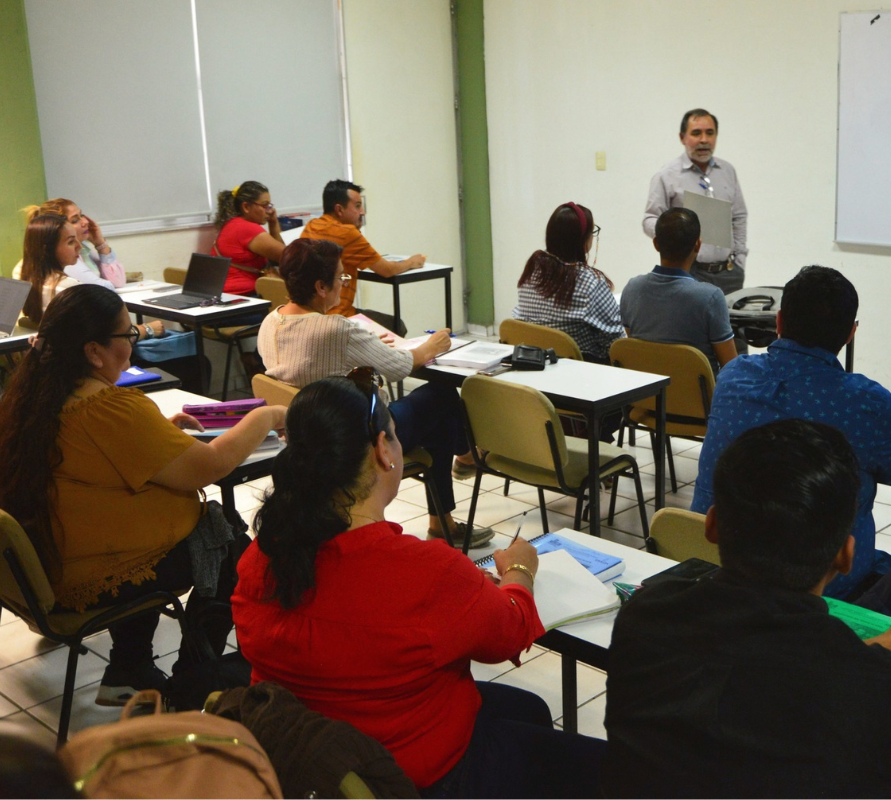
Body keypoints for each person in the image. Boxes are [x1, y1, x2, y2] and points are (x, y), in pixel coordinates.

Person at [233, 376, 606, 797]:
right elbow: (509, 634)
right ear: (382, 451)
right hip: (416, 777)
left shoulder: (261, 559)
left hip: (313, 761)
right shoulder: (426, 572)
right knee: (610, 772)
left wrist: (464, 594)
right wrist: (520, 569)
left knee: (530, 709)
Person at [605, 419, 891, 797]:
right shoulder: (883, 689)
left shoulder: (645, 616)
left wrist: (888, 642)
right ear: (845, 555)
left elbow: (764, 674)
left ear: (712, 526)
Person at [0, 284, 285, 704]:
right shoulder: (108, 409)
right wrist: (266, 415)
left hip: (46, 568)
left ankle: (129, 669)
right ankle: (193, 685)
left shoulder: (26, 399)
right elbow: (210, 467)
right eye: (126, 336)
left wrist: (157, 438)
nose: (132, 346)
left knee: (159, 533)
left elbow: (95, 465)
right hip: (87, 575)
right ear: (94, 351)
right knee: (225, 545)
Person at [691, 266, 891, 599]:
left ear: (778, 322)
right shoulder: (865, 401)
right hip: (824, 589)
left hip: (714, 568)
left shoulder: (734, 375)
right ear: (851, 332)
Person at [257, 238, 491, 549]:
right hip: (359, 438)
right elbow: (400, 366)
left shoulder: (271, 321)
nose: (344, 283)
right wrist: (430, 347)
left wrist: (365, 344)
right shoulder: (336, 330)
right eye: (341, 277)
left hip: (305, 437)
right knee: (442, 396)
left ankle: (457, 477)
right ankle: (462, 468)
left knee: (436, 417)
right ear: (320, 287)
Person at [642, 108, 748, 295]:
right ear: (682, 137)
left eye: (710, 133)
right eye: (696, 133)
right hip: (689, 272)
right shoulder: (666, 175)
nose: (704, 140)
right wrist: (674, 234)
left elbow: (739, 216)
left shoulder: (727, 171)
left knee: (729, 324)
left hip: (729, 273)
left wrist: (739, 260)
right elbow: (649, 219)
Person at [299, 178, 426, 333]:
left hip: (308, 314)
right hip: (336, 314)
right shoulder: (347, 233)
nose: (362, 212)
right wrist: (411, 262)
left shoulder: (312, 225)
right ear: (339, 209)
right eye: (358, 206)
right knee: (397, 325)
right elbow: (387, 270)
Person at [620, 207, 736, 375]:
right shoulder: (710, 298)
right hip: (697, 401)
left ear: (656, 243)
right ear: (698, 245)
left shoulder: (632, 289)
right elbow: (731, 368)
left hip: (644, 397)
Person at [16, 214, 163, 341]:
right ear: (47, 250)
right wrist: (147, 329)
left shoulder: (26, 280)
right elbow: (106, 338)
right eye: (71, 242)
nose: (79, 247)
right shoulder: (68, 287)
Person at [513, 202, 623, 363]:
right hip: (584, 374)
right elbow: (615, 343)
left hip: (536, 366)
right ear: (582, 239)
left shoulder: (532, 270)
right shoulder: (590, 282)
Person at [18, 198, 126, 287]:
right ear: (61, 228)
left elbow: (118, 282)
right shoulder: (65, 258)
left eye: (81, 215)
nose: (86, 222)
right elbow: (104, 289)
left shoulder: (82, 247)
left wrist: (101, 244)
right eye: (75, 220)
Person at [211, 180, 286, 296]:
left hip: (228, 293)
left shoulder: (234, 223)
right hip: (242, 296)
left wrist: (273, 221)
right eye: (264, 205)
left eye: (269, 206)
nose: (270, 210)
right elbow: (286, 256)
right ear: (246, 207)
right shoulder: (247, 228)